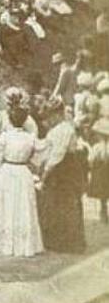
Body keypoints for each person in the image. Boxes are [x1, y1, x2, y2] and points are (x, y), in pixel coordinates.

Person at [0, 107, 45, 257]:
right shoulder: (31, 137)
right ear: (25, 121)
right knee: (23, 206)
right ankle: (23, 244)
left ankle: (1, 242)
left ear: (10, 120)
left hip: (7, 171)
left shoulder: (5, 136)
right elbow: (39, 158)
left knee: (4, 205)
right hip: (23, 172)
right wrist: (32, 167)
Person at [37, 106, 87, 253]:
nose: (50, 120)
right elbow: (46, 149)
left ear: (58, 115)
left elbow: (57, 154)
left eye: (52, 116)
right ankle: (57, 240)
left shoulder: (64, 129)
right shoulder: (56, 129)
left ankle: (70, 243)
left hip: (66, 168)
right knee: (56, 203)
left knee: (67, 203)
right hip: (60, 168)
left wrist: (45, 173)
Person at [88, 117, 109, 223]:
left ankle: (103, 210)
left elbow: (90, 160)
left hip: (100, 174)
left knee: (103, 195)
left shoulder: (96, 147)